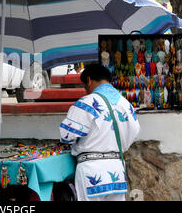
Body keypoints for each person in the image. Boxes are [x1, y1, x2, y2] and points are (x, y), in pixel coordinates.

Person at [59, 64, 140, 201]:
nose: (85, 91)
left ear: (89, 80)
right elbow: (134, 132)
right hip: (117, 170)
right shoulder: (126, 105)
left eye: (85, 86)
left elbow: (66, 135)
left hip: (92, 170)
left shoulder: (86, 103)